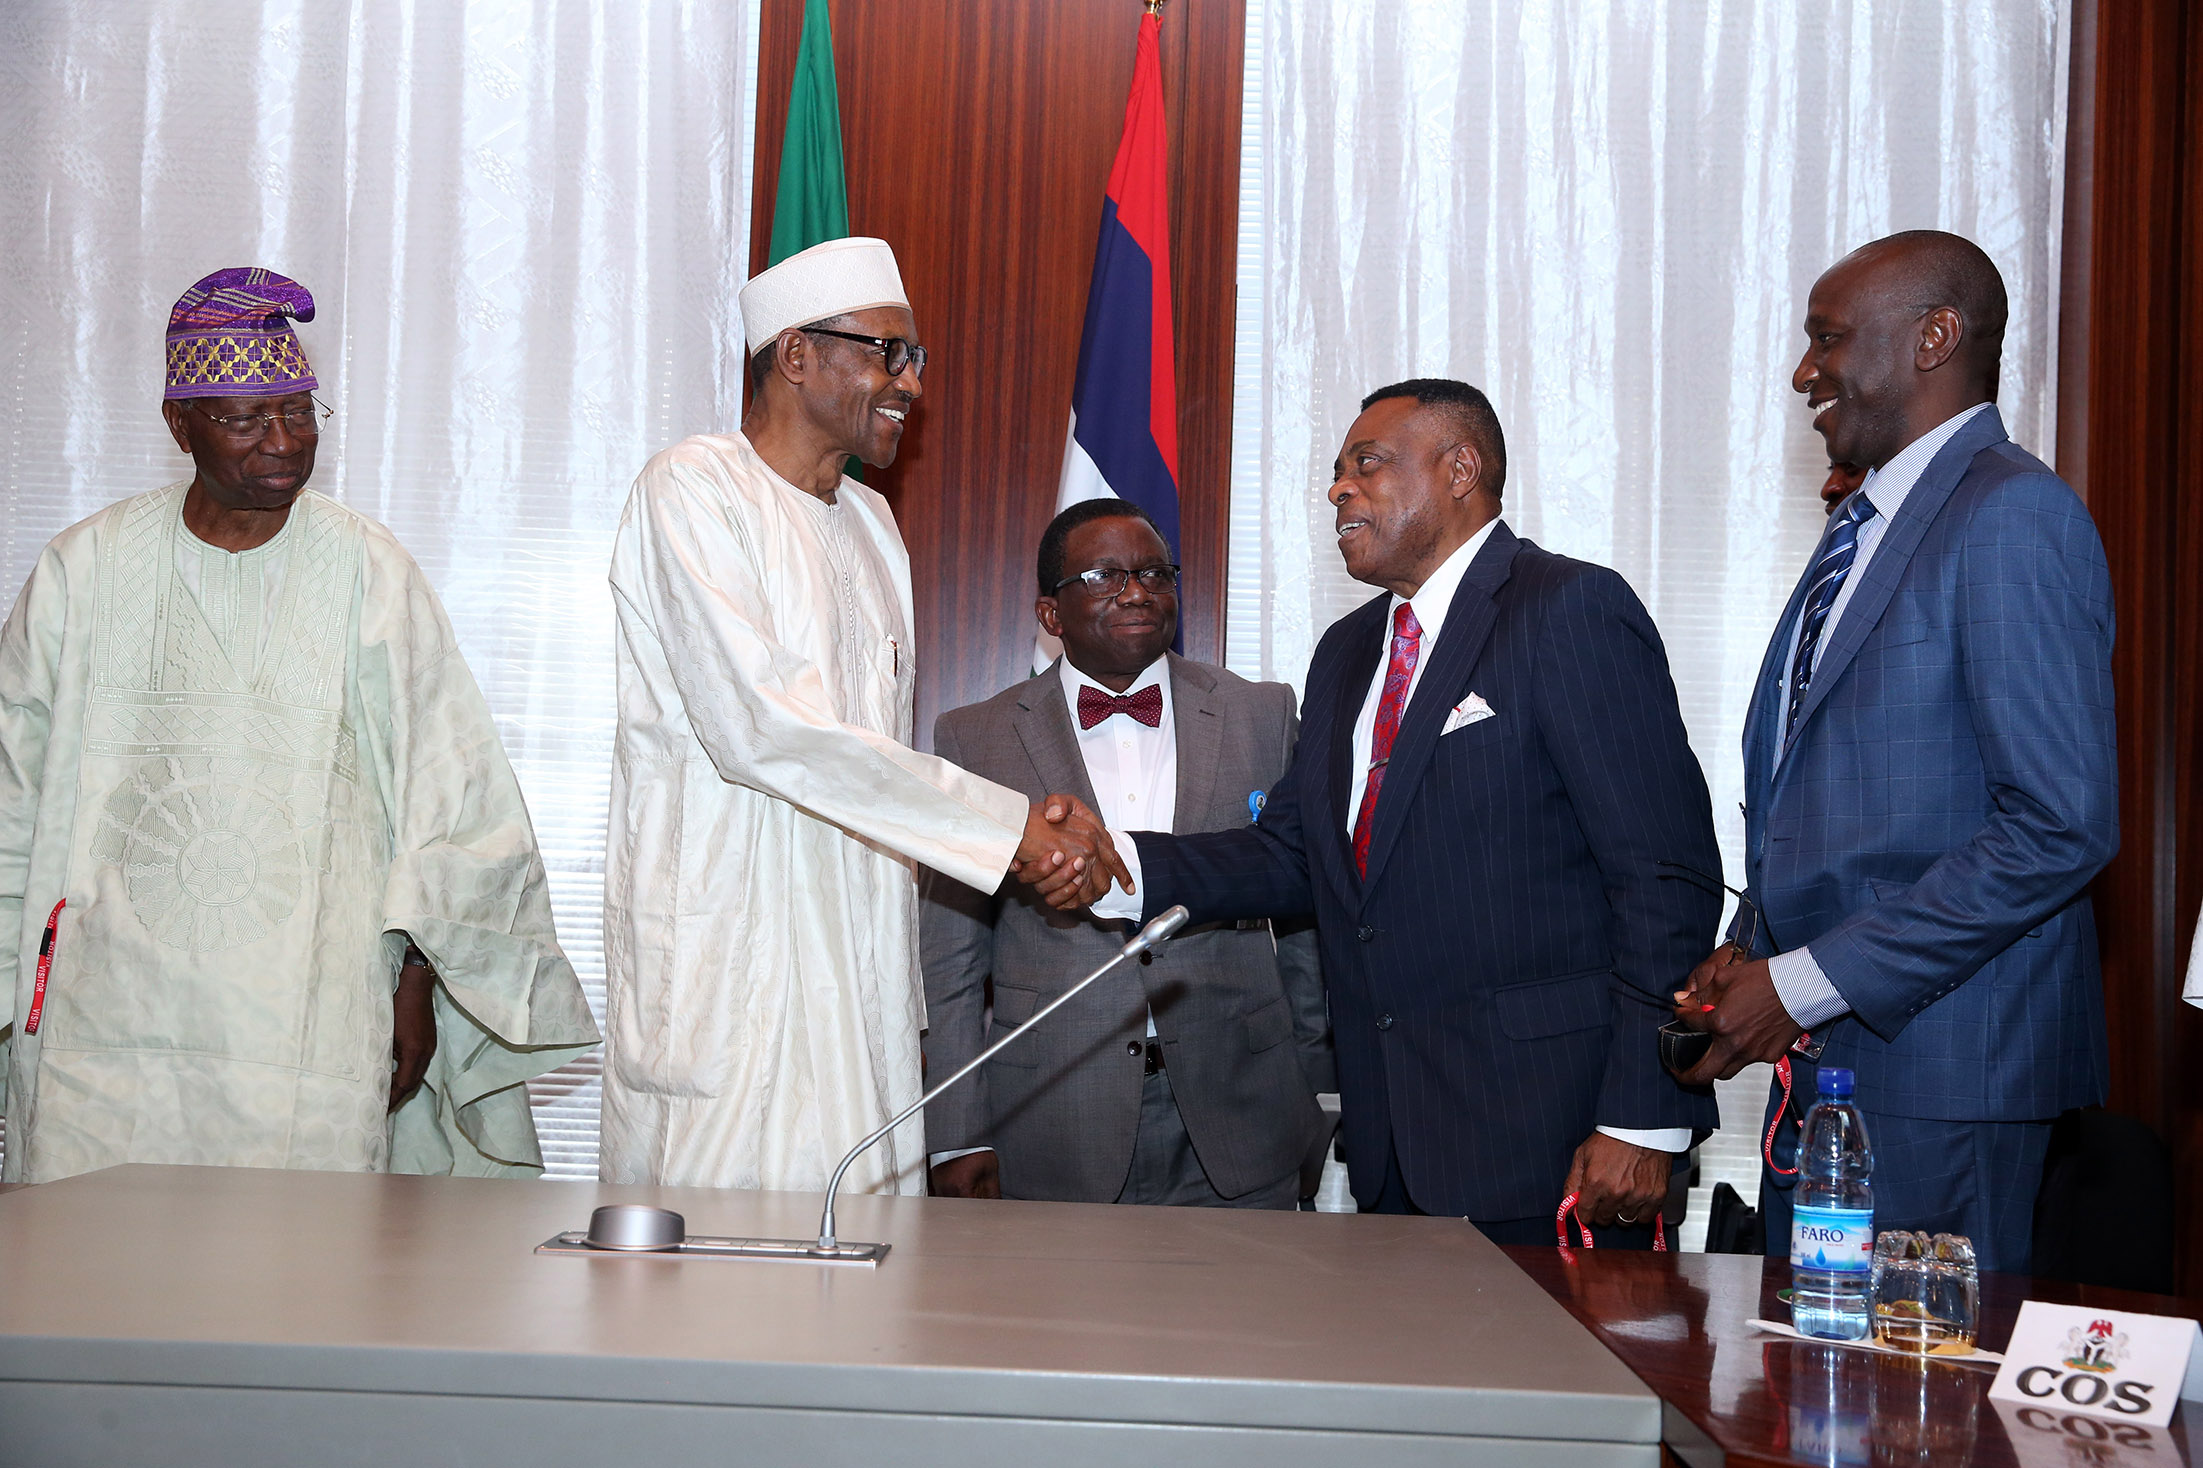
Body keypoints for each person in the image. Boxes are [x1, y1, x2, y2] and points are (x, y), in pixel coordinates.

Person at [1044, 379, 1722, 1245]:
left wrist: (1643, 1116)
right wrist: (1119, 863)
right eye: (1335, 472)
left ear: (1460, 469)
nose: (1338, 489)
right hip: (1394, 1143)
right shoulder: (1348, 649)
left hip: (1561, 1140)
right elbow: (1296, 855)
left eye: (1366, 464)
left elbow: (1663, 878)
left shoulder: (1566, 609)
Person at [0, 267, 597, 1184]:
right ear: (179, 424)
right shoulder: (83, 569)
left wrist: (415, 987)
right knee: (93, 1291)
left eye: (301, 412)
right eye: (245, 419)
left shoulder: (369, 570)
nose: (283, 443)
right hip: (101, 1021)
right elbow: (11, 793)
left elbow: (453, 802)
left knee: (292, 1290)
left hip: (306, 1021)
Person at [600, 238, 1128, 1195]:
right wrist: (1009, 828)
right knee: (713, 1283)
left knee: (865, 1262)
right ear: (795, 354)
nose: (910, 384)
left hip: (862, 966)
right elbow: (765, 728)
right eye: (888, 353)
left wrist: (999, 832)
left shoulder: (876, 528)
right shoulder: (692, 487)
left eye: (914, 359)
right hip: (735, 956)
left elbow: (873, 752)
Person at [1670, 231, 2117, 1273]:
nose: (1801, 372)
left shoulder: (2012, 515)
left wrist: (1807, 980)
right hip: (1839, 1076)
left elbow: (2058, 823)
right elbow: (1844, 794)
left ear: (1933, 337)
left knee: (1916, 1424)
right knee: (1817, 1410)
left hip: (1945, 1079)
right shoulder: (1861, 526)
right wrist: (1756, 951)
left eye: (1828, 339)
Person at [921, 499, 1332, 1208]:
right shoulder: (974, 738)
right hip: (1051, 1115)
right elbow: (952, 957)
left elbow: (1299, 914)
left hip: (1244, 1111)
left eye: (1152, 572)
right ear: (1051, 615)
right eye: (1105, 575)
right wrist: (957, 1132)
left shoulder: (1260, 713)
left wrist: (1310, 1084)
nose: (1137, 591)